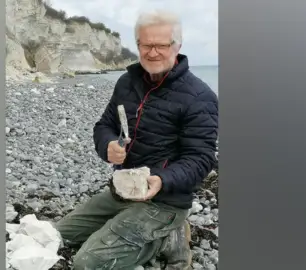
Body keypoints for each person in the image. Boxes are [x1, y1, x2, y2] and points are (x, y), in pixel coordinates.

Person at [55, 9, 218, 270]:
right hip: (124, 191)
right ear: (138, 45)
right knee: (56, 236)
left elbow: (201, 159)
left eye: (161, 45)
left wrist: (162, 180)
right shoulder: (127, 82)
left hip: (165, 200)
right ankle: (144, 231)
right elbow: (104, 125)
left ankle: (169, 236)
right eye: (145, 45)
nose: (152, 52)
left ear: (177, 45)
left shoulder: (200, 97)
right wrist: (107, 145)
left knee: (87, 264)